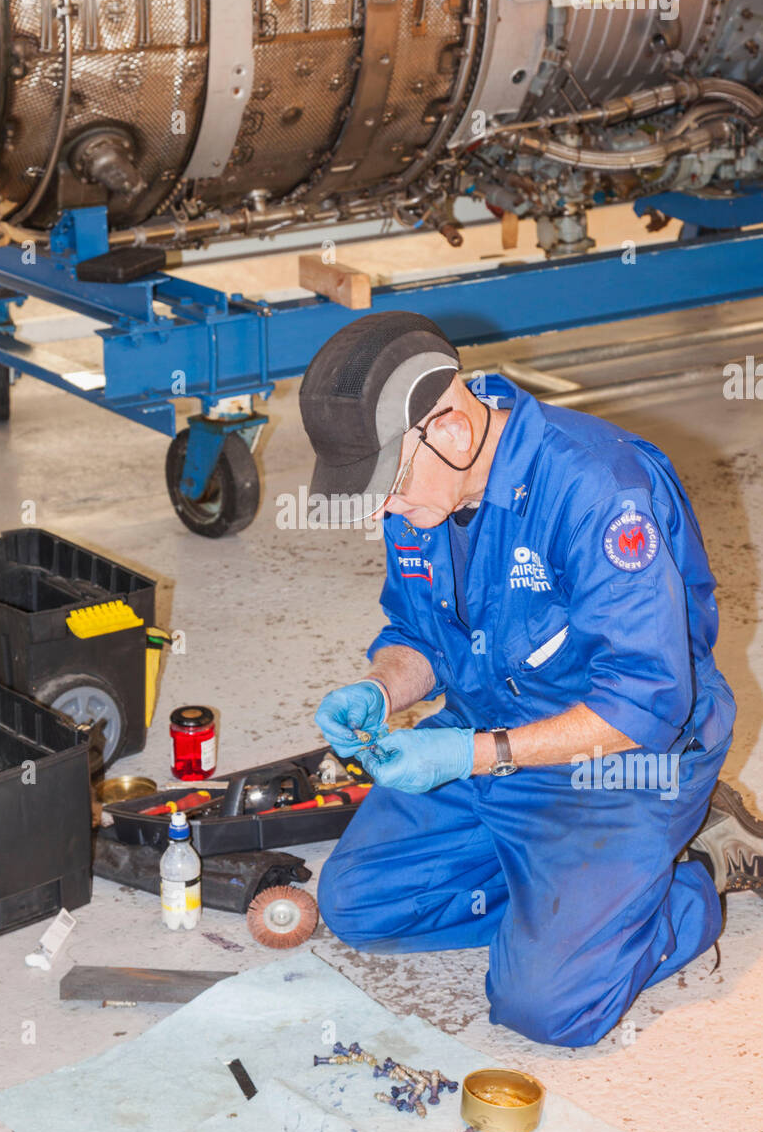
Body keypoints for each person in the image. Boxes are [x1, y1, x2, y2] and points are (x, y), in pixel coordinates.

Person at [299, 310, 761, 1048]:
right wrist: (382, 688)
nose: (382, 507)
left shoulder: (599, 488)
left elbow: (646, 702)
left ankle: (698, 869)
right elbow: (418, 635)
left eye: (386, 483)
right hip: (490, 731)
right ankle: (570, 901)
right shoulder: (426, 489)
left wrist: (472, 755)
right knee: (360, 907)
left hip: (617, 763)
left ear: (447, 423)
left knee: (548, 1007)